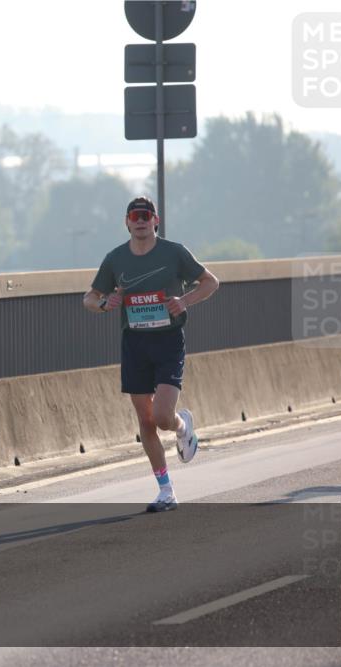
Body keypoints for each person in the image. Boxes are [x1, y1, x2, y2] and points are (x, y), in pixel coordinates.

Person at [83, 197, 219, 512]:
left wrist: (184, 301)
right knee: (145, 420)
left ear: (155, 221)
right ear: (127, 222)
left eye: (146, 216)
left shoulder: (174, 252)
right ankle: (166, 490)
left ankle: (183, 427)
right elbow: (89, 298)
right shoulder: (115, 259)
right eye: (135, 216)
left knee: (161, 416)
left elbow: (211, 282)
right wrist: (104, 304)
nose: (140, 221)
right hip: (134, 344)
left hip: (169, 340)